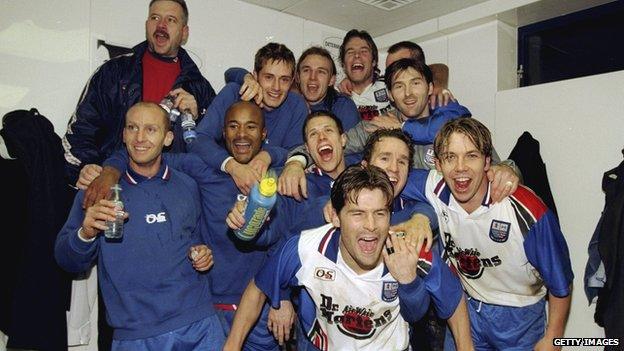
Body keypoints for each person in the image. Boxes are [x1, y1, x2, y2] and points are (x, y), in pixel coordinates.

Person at [224, 165, 462, 351]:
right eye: (357, 214)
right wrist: (232, 346)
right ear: (336, 218)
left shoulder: (407, 248)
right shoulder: (306, 248)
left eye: (380, 214)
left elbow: (453, 299)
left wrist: (467, 346)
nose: (371, 226)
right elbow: (258, 288)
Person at [55, 102, 224, 350]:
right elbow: (66, 260)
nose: (140, 138)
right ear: (123, 134)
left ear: (168, 138)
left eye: (150, 129)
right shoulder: (99, 190)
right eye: (132, 128)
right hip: (135, 334)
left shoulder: (188, 185)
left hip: (198, 324)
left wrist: (202, 254)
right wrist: (86, 233)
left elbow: (195, 240)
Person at [401, 118, 574, 350]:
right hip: (467, 308)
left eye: (471, 155)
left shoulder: (524, 209)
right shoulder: (435, 188)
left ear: (487, 162)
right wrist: (419, 215)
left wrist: (554, 336)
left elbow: (561, 281)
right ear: (439, 165)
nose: (460, 167)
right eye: (451, 157)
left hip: (520, 316)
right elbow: (390, 177)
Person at [282, 58, 519, 204]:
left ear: (429, 87)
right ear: (391, 95)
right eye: (399, 86)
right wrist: (295, 163)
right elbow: (328, 142)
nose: (408, 93)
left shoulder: (451, 124)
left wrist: (507, 170)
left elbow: (495, 164)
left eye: (415, 83)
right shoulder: (380, 125)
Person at [63, 0, 215, 188]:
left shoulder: (201, 88)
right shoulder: (113, 72)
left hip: (173, 198)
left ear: (184, 32)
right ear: (147, 25)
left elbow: (214, 152)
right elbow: (80, 131)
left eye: (171, 20)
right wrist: (86, 168)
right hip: (115, 190)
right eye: (155, 17)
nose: (161, 25)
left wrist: (198, 117)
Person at [190, 43, 308, 195]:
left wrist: (268, 155)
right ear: (255, 76)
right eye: (268, 77)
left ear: (292, 81)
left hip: (269, 193)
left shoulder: (296, 105)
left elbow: (297, 151)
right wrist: (233, 167)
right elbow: (198, 139)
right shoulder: (234, 93)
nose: (276, 87)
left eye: (284, 79)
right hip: (223, 185)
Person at [225, 46, 361, 131]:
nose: (313, 78)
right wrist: (248, 78)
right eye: (306, 70)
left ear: (331, 80)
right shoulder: (284, 98)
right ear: (296, 77)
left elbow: (353, 151)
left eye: (321, 72)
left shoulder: (342, 106)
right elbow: (230, 72)